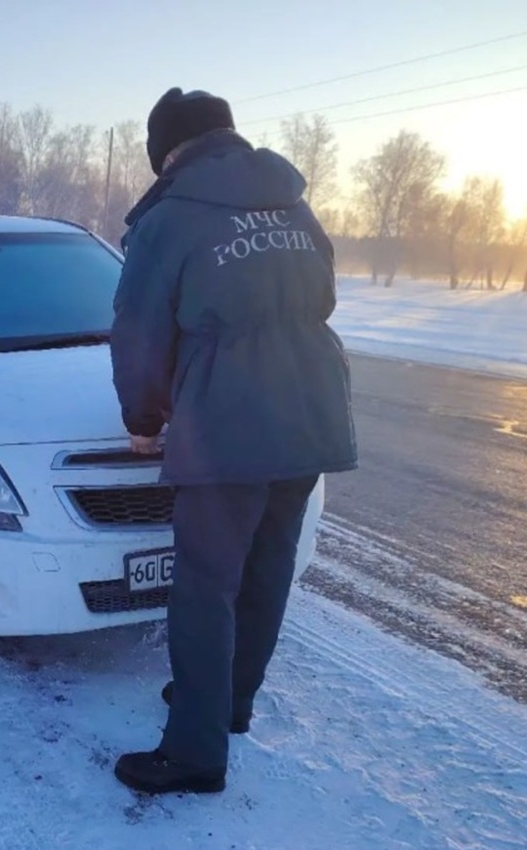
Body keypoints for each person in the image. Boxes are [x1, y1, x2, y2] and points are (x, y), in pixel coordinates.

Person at [109, 87, 358, 795]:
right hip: (312, 408)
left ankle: (194, 751)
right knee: (267, 567)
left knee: (204, 586)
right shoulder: (294, 204)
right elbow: (324, 300)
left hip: (227, 422)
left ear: (167, 153)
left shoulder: (173, 217)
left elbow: (139, 333)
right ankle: (230, 703)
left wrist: (143, 421)